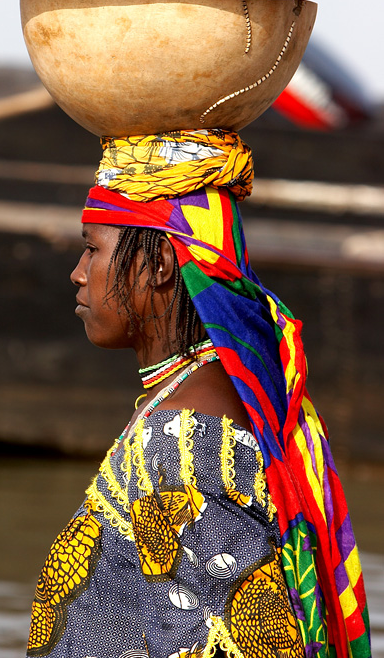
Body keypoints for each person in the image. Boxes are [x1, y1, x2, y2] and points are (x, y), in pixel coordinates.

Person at [26, 130, 371, 658]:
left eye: (92, 248)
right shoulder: (216, 400)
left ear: (159, 264)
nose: (77, 274)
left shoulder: (186, 444)